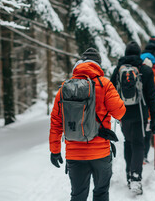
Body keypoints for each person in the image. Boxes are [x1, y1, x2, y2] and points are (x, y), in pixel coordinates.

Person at [49, 48, 126, 201]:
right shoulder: (105, 84)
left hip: (74, 154)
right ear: (98, 64)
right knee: (101, 192)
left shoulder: (65, 87)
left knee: (78, 195)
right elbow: (119, 112)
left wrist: (55, 151)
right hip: (101, 152)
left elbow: (56, 122)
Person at [110, 41, 155, 195]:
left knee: (128, 142)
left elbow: (110, 92)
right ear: (139, 54)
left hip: (123, 114)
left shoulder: (118, 70)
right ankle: (135, 178)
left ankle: (128, 175)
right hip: (140, 114)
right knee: (138, 144)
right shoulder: (145, 70)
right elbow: (152, 96)